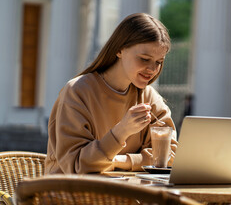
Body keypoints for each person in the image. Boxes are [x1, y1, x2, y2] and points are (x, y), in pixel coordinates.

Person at [45, 13, 177, 174]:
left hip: (125, 194)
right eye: (144, 58)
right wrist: (122, 131)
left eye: (159, 62)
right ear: (119, 50)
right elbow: (78, 166)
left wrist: (117, 161)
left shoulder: (149, 97)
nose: (152, 69)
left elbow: (169, 157)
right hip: (69, 194)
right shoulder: (78, 91)